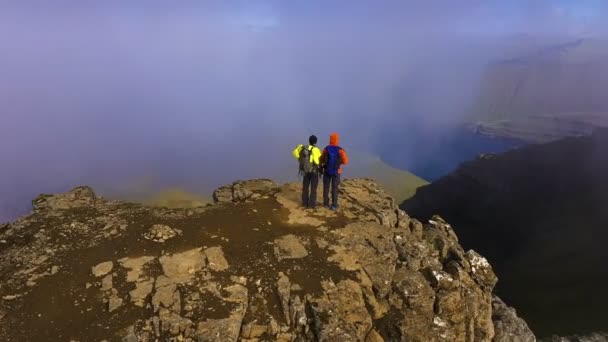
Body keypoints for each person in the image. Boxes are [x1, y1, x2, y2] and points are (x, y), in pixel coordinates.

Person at [320, 132, 349, 210]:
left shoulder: (326, 149)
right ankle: (334, 205)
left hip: (327, 170)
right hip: (336, 171)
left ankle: (325, 203)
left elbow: (321, 159)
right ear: (337, 140)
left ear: (330, 139)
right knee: (335, 188)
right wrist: (339, 163)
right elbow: (346, 161)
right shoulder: (340, 150)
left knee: (326, 187)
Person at [292, 135, 322, 208]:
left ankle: (304, 203)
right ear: (315, 142)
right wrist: (320, 168)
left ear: (309, 141)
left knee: (305, 187)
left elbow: (294, 152)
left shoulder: (303, 148)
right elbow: (317, 160)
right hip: (314, 171)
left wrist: (300, 158)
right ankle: (311, 205)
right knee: (313, 188)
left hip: (305, 170)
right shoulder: (316, 149)